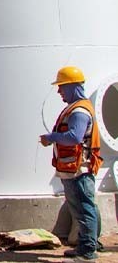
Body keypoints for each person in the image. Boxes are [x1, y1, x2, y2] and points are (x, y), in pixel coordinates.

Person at [40, 66, 103, 262]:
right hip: (73, 169)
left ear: (72, 86)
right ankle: (89, 244)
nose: (59, 91)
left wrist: (52, 137)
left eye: (61, 87)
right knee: (84, 207)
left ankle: (87, 252)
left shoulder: (79, 111)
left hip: (78, 170)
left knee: (84, 209)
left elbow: (75, 137)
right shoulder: (77, 107)